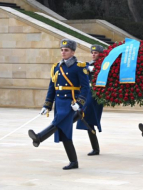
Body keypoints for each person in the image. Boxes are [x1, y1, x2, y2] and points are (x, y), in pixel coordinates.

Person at [28, 39, 89, 170]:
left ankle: (39, 137)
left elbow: (85, 88)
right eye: (62, 50)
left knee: (58, 121)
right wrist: (47, 105)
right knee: (64, 133)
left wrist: (80, 103)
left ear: (72, 52)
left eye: (66, 50)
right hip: (59, 102)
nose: (63, 52)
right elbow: (52, 87)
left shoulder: (79, 67)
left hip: (71, 103)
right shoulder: (56, 67)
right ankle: (74, 162)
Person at [73, 44, 104, 156]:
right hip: (88, 94)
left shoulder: (103, 65)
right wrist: (87, 67)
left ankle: (67, 122)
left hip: (96, 95)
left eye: (96, 53)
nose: (93, 54)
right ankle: (95, 148)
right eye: (92, 52)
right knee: (88, 122)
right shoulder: (88, 65)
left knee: (85, 114)